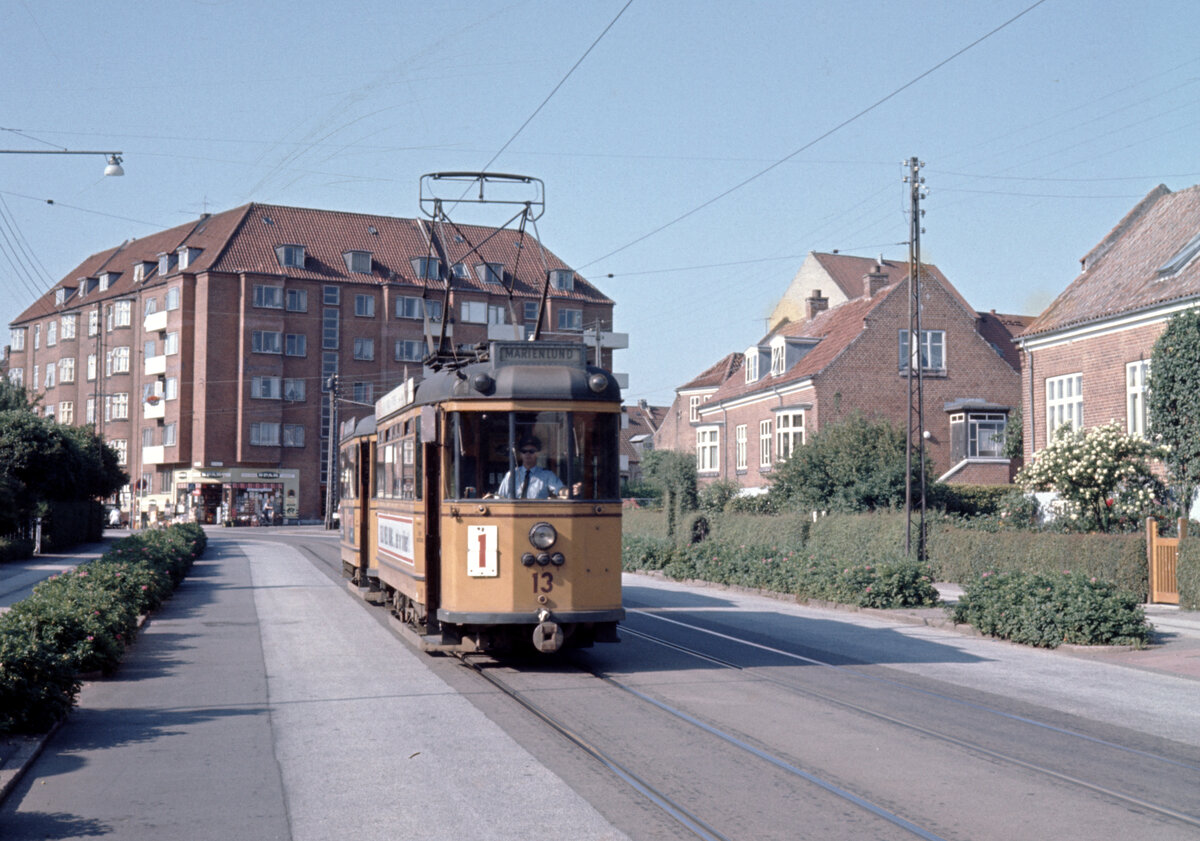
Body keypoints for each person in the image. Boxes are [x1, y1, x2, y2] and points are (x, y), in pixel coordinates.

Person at [495, 436, 566, 499]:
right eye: (524, 451)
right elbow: (500, 497)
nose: (527, 454)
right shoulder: (511, 475)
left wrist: (570, 491)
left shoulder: (547, 475)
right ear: (520, 454)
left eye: (531, 451)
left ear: (538, 454)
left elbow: (560, 489)